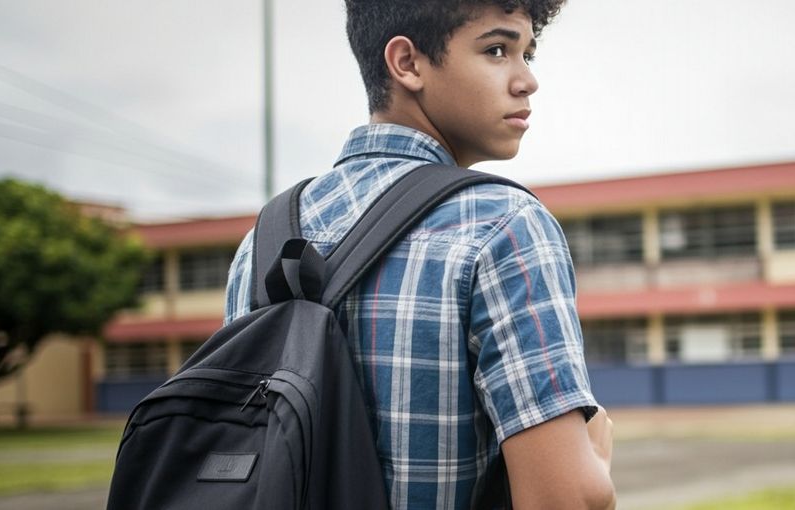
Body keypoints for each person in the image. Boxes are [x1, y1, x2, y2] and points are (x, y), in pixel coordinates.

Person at [223, 2, 615, 508]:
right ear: (407, 63)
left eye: (527, 53)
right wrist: (596, 464)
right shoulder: (504, 225)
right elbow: (565, 500)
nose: (526, 81)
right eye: (497, 50)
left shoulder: (263, 241)